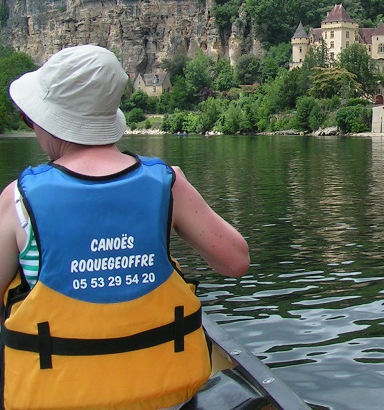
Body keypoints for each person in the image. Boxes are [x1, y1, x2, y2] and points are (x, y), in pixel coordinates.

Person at [0, 45, 250, 410]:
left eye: (30, 118)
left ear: (51, 121)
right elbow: (236, 261)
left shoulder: (17, 201)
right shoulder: (168, 184)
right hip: (168, 399)